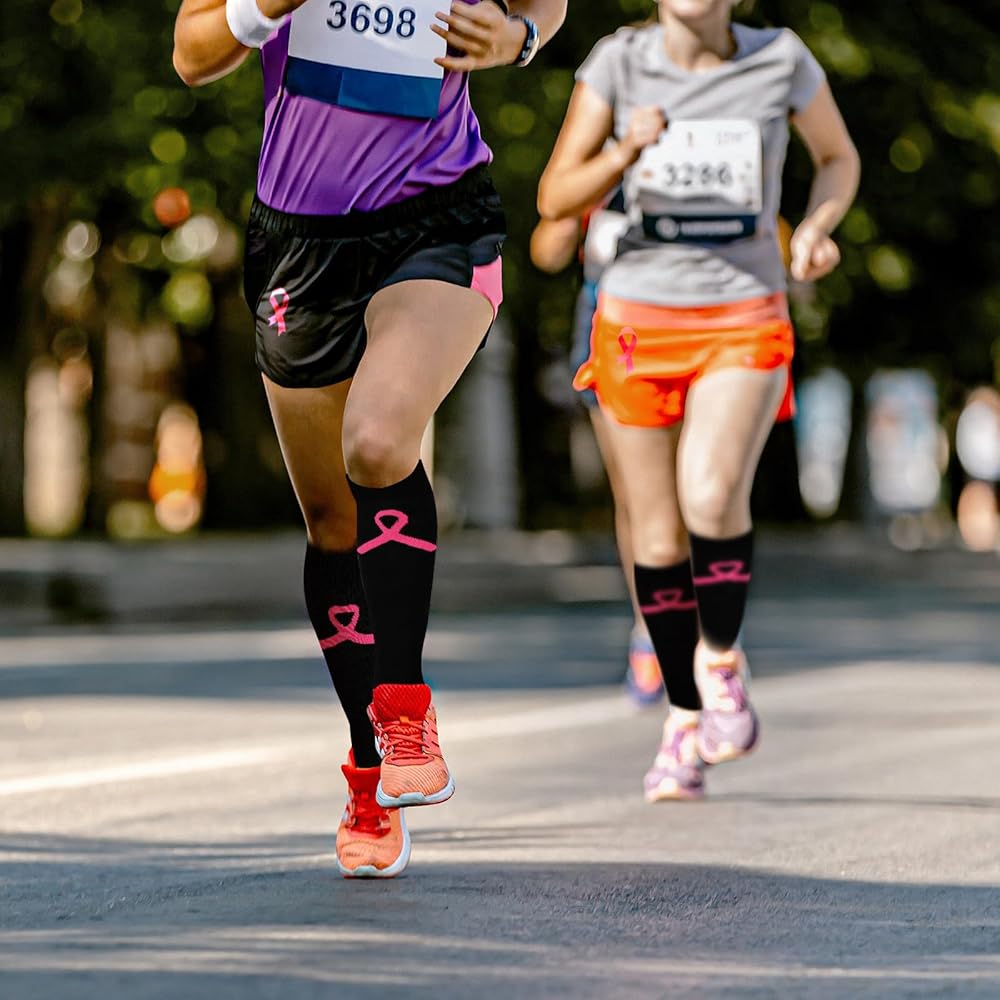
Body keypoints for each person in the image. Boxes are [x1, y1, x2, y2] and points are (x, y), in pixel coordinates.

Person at [173, 0, 566, 876]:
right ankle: (366, 766)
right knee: (332, 523)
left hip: (439, 221)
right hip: (298, 247)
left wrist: (519, 38)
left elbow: (545, 4)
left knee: (381, 442)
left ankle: (405, 704)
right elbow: (192, 53)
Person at [537, 0, 859, 801]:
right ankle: (683, 720)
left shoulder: (780, 59)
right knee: (653, 531)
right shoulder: (618, 63)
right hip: (634, 319)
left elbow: (837, 157)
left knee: (710, 494)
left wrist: (816, 227)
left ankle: (719, 661)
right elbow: (554, 198)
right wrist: (625, 148)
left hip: (744, 312)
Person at [530, 195, 668, 706]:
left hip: (696, 312)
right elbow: (547, 251)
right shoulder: (601, 154)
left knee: (696, 486)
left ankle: (708, 626)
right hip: (610, 315)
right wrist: (584, 197)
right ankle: (650, 628)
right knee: (636, 494)